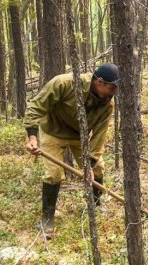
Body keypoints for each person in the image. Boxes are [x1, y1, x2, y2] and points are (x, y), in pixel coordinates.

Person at [24, 63, 120, 239]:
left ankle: (96, 204)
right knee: (53, 173)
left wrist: (89, 164)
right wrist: (31, 137)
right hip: (52, 132)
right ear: (99, 82)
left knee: (98, 168)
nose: (113, 92)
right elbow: (35, 106)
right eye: (111, 87)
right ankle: (47, 219)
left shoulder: (107, 104)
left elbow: (99, 136)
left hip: (78, 136)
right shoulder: (63, 83)